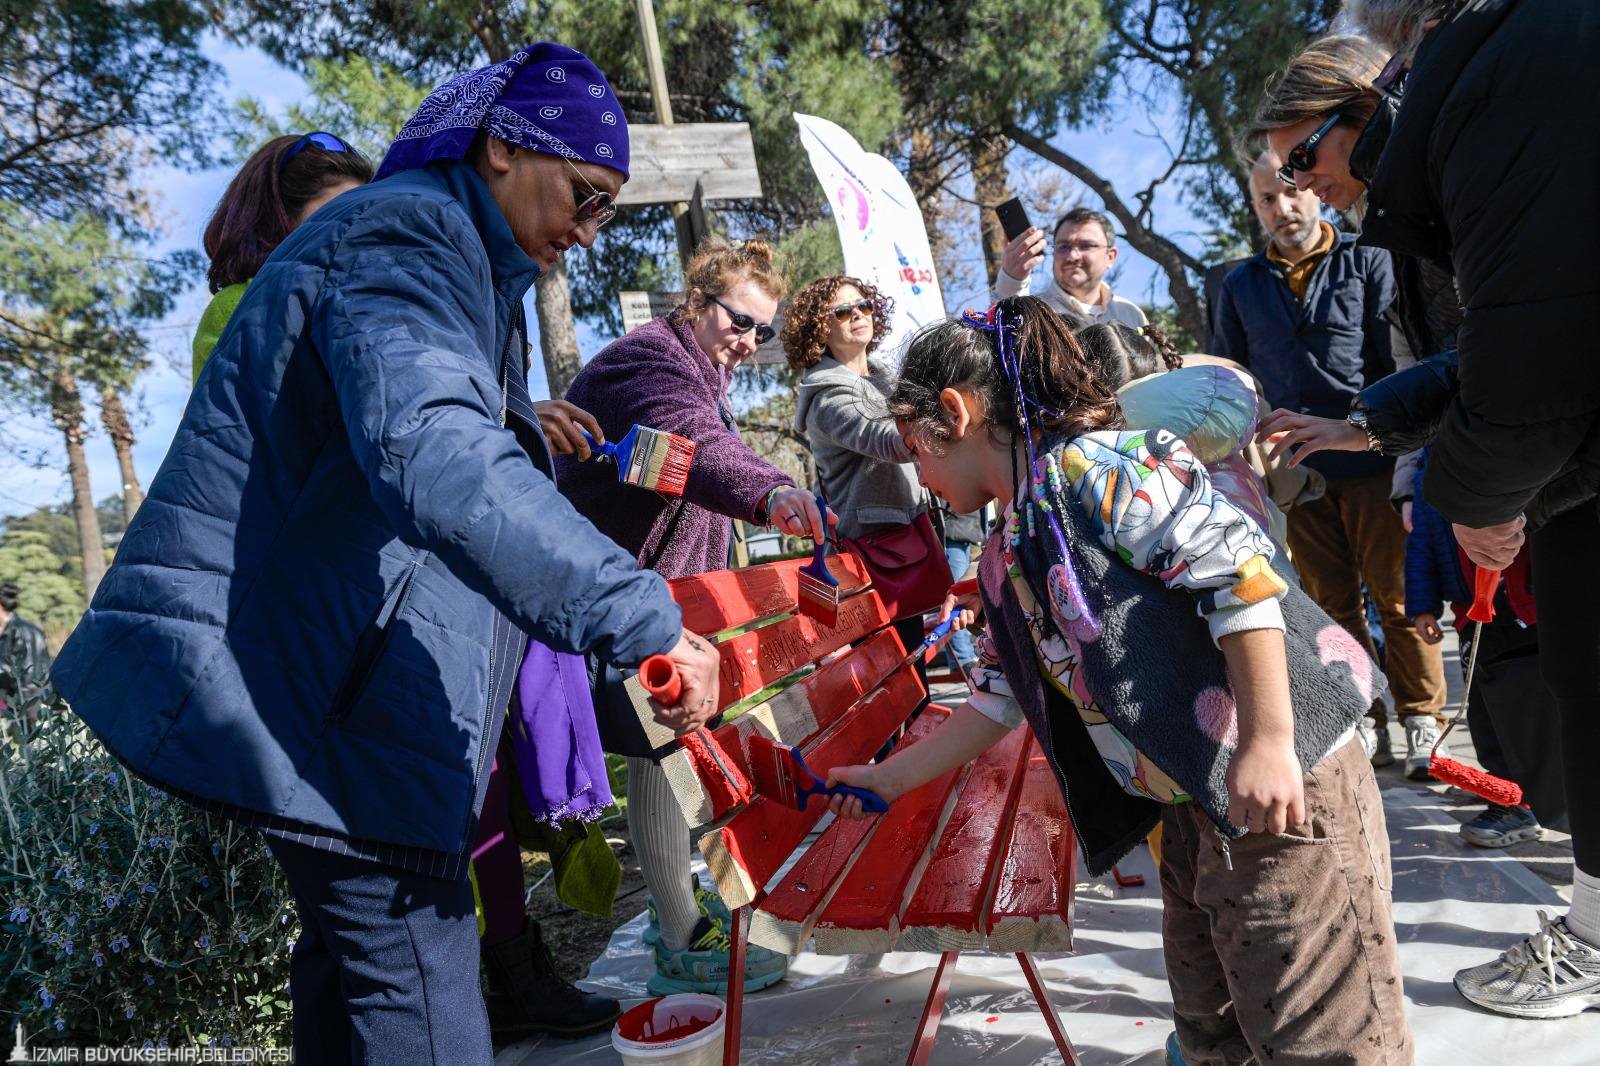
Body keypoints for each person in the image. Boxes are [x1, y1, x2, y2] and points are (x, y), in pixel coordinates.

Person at [51, 43, 724, 1063]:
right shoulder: (411, 232)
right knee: (418, 984)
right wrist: (644, 612)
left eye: (605, 213)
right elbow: (432, 455)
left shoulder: (452, 256)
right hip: (337, 703)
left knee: (349, 972)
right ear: (503, 146)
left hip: (333, 693)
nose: (588, 233)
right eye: (583, 196)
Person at [828, 297, 1410, 1064]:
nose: (917, 475)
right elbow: (1000, 695)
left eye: (914, 448)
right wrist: (891, 777)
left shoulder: (1102, 467)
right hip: (1195, 798)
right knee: (1213, 1015)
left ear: (955, 412)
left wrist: (1268, 743)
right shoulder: (1008, 548)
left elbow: (1241, 579)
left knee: (1319, 1026)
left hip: (1283, 779)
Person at [1254, 8, 1600, 1016]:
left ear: (1367, 103)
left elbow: (1533, 351)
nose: (1300, 185)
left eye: (1305, 155)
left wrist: (1477, 503)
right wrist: (1363, 420)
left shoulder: (1494, 93)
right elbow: (1489, 351)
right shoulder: (1466, 124)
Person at [558, 238, 826, 998]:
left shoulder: (702, 372)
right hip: (621, 594)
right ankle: (678, 933)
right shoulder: (650, 360)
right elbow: (694, 447)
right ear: (696, 300)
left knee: (666, 748)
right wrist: (773, 491)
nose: (749, 340)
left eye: (762, 332)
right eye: (740, 320)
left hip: (663, 596)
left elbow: (684, 462)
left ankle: (677, 905)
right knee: (658, 752)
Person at [1214, 143, 1448, 779]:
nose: (1282, 208)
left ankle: (1422, 719)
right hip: (1296, 474)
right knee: (1330, 607)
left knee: (1396, 599)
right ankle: (1360, 718)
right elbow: (1230, 376)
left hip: (1371, 455)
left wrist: (1387, 439)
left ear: (1313, 191)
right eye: (1266, 198)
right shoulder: (1237, 284)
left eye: (1290, 190)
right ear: (1255, 206)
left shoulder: (1367, 259)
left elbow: (1397, 358)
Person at [1404, 446, 1566, 843]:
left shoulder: (1513, 454)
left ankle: (1526, 803)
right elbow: (1423, 540)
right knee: (1483, 713)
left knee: (1524, 715)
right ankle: (1503, 793)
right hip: (1469, 613)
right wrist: (1423, 604)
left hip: (1520, 609)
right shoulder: (1433, 464)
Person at [786, 274, 943, 676]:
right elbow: (890, 440)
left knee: (908, 675)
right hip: (874, 556)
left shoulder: (881, 379)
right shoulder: (830, 395)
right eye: (842, 311)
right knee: (894, 682)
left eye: (864, 305)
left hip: (900, 543)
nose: (857, 314)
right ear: (819, 327)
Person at [192, 132, 373, 378]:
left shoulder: (377, 294)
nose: (358, 230)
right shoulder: (239, 308)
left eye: (365, 214)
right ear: (279, 219)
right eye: (341, 216)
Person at [993, 206, 1148, 328]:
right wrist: (1011, 279)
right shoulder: (1032, 314)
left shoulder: (1131, 315)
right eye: (1063, 247)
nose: (1073, 256)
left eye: (1086, 246)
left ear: (1110, 256)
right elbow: (1001, 346)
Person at [0, 581, 51, 717]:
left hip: (31, 704)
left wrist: (22, 707)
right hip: (12, 701)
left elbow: (31, 675)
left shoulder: (25, 632)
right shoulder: (5, 631)